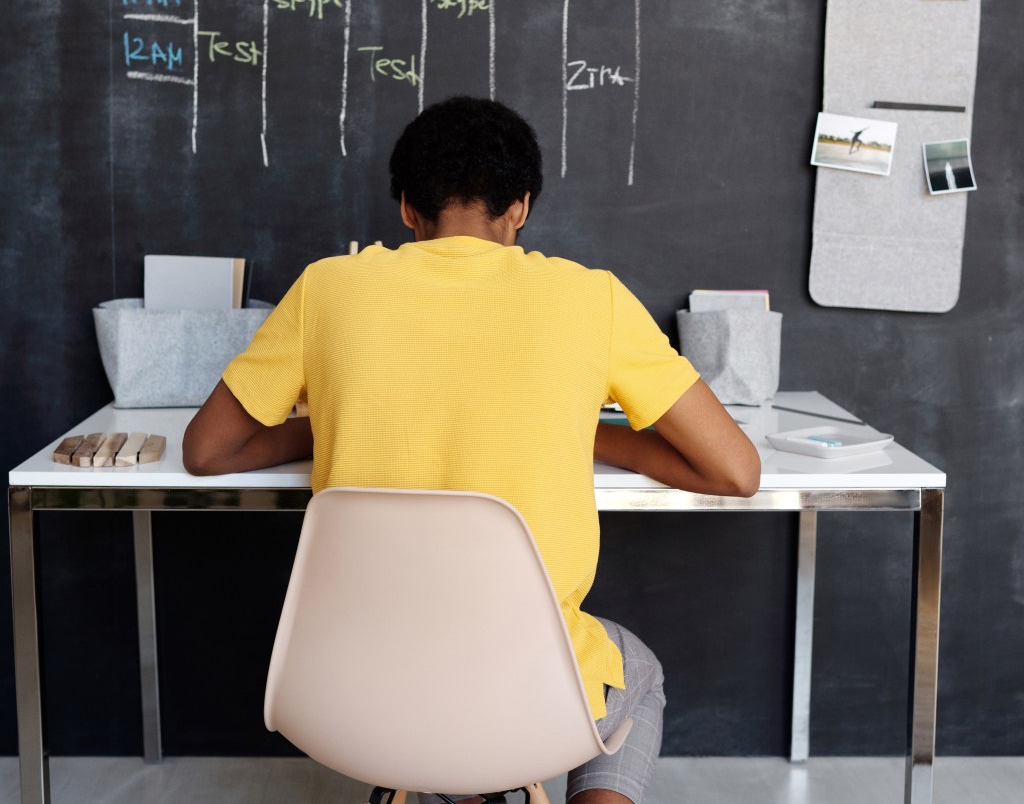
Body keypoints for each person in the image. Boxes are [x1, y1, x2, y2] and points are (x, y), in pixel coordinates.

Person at [183, 96, 760, 804]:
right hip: (527, 693)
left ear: (404, 207)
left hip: (358, 692)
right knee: (635, 668)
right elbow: (735, 468)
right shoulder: (591, 298)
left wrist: (335, 416)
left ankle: (437, 786)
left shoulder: (326, 286)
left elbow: (207, 450)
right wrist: (594, 433)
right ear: (519, 207)